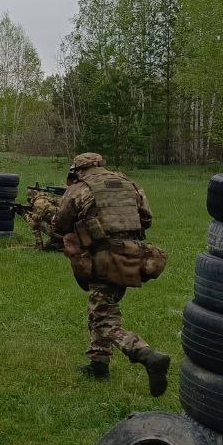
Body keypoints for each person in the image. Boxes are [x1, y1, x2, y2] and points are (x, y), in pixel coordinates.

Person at [51, 152, 171, 396]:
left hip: (103, 257)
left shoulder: (79, 188)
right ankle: (99, 365)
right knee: (103, 306)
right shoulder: (129, 184)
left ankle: (145, 354)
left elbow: (59, 225)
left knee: (103, 319)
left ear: (78, 170)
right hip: (132, 255)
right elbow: (145, 219)